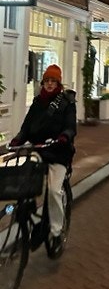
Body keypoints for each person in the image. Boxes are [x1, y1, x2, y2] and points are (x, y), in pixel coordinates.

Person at [9, 64, 76, 256]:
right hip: (39, 149)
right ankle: (26, 211)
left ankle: (55, 232)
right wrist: (18, 139)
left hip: (58, 152)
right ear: (43, 82)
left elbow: (71, 126)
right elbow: (27, 126)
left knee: (54, 191)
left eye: (53, 81)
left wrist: (65, 135)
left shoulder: (66, 103)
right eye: (47, 81)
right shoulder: (38, 102)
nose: (49, 84)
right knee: (26, 176)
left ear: (58, 83)